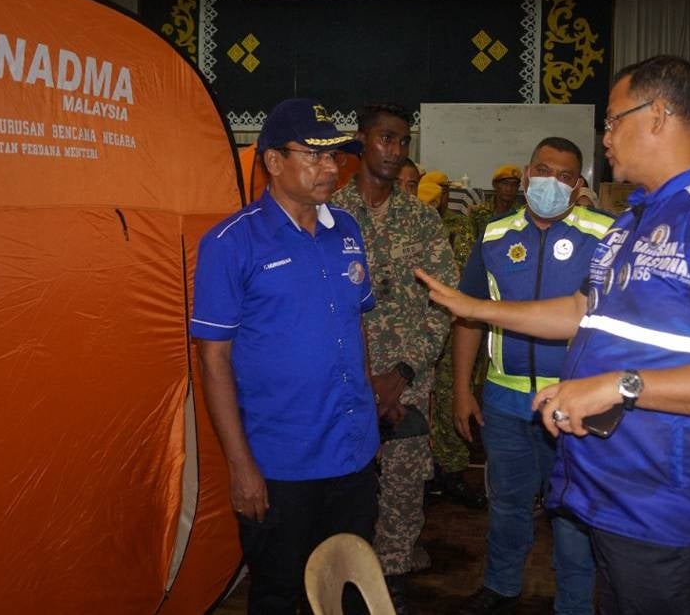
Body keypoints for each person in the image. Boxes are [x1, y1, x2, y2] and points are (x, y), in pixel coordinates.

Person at [416, 55, 690, 614]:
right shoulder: (633, 223)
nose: (605, 137)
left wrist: (618, 385)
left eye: (613, 121)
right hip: (609, 488)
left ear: (659, 115)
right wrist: (479, 308)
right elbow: (578, 310)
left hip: (665, 504)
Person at [191, 98, 378, 615]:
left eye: (335, 157)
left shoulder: (347, 231)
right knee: (277, 593)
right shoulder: (230, 244)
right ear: (274, 161)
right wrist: (241, 466)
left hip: (351, 453)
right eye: (313, 156)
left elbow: (356, 327)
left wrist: (368, 427)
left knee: (350, 587)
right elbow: (214, 361)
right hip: (279, 464)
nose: (329, 168)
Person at [452, 137, 613, 615]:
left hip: (575, 404)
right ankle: (500, 587)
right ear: (525, 175)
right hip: (504, 401)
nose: (551, 182)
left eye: (564, 176)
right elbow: (469, 317)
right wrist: (462, 390)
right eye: (543, 170)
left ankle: (575, 604)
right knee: (506, 503)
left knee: (572, 515)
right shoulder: (493, 237)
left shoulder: (606, 234)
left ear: (578, 184)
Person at [331, 103, 458, 614]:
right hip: (343, 384)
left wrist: (403, 371)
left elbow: (443, 305)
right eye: (386, 138)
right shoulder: (329, 215)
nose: (396, 150)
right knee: (345, 487)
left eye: (404, 141)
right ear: (362, 141)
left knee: (404, 492)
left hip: (406, 384)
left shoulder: (423, 223)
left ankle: (393, 585)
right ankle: (343, 584)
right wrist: (363, 382)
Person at [416, 170, 486, 509]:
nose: (433, 202)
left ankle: (454, 473)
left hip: (453, 327)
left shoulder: (459, 228)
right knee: (421, 407)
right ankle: (426, 474)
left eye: (437, 196)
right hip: (416, 331)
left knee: (451, 401)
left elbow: (463, 280)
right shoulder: (410, 225)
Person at [470, 164, 523, 238]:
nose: (509, 189)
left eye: (513, 185)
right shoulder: (478, 212)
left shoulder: (522, 213)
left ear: (518, 188)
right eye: (505, 184)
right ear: (495, 185)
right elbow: (470, 242)